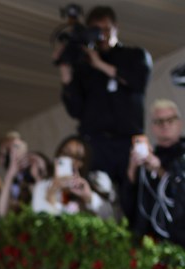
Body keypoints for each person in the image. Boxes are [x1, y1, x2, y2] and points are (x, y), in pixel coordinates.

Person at [55, 5, 151, 185]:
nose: (102, 36)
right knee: (96, 192)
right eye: (97, 31)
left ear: (116, 27)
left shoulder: (134, 55)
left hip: (128, 142)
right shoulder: (84, 68)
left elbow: (138, 82)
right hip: (95, 142)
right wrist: (65, 71)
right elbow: (75, 110)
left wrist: (100, 65)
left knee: (132, 191)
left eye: (107, 29)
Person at [122, 99, 185, 246]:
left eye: (170, 119)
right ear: (152, 127)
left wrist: (159, 170)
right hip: (151, 242)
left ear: (179, 123)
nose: (165, 125)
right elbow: (129, 205)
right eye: (159, 121)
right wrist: (132, 168)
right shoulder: (146, 158)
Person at [32, 135, 115, 219]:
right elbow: (40, 222)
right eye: (66, 153)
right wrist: (51, 194)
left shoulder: (97, 180)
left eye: (77, 157)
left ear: (83, 163)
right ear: (58, 155)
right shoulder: (42, 186)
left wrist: (89, 197)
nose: (71, 160)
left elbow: (110, 217)